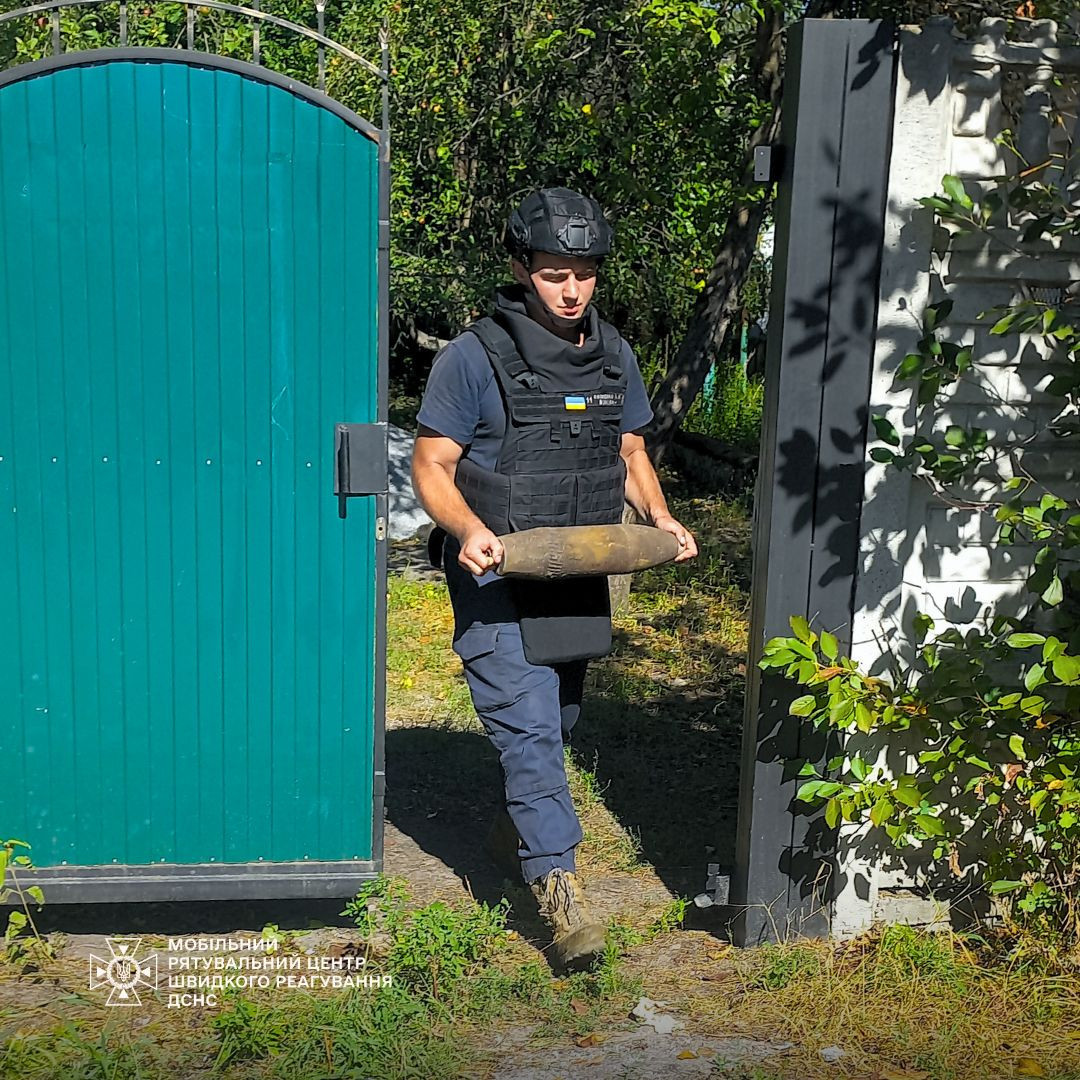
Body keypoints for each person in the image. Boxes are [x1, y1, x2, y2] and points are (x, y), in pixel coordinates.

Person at [411, 187, 697, 969]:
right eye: (553, 273)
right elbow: (430, 466)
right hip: (496, 573)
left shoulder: (614, 354)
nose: (571, 290)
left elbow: (629, 452)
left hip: (576, 573)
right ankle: (561, 897)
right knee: (531, 729)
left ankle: (516, 830)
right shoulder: (472, 357)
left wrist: (661, 520)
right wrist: (465, 529)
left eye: (584, 273)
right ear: (520, 267)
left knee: (559, 721)